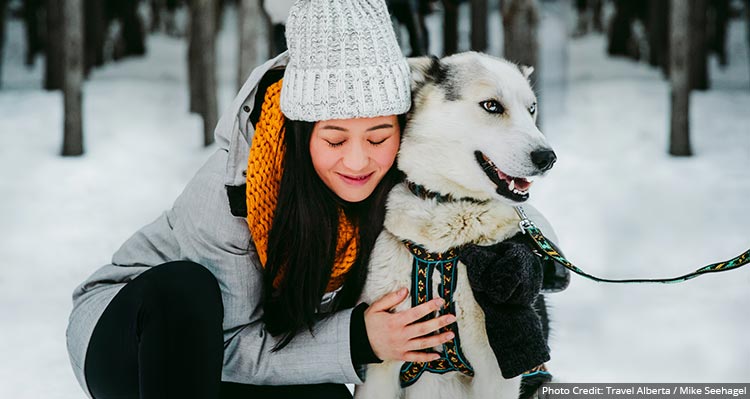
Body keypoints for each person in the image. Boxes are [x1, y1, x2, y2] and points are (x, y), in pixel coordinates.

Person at [66, 1, 459, 398]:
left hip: (253, 352)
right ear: (302, 132)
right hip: (133, 338)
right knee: (185, 289)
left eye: (377, 138)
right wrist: (359, 339)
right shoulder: (231, 189)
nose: (358, 161)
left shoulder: (404, 174)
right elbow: (228, 343)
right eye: (335, 139)